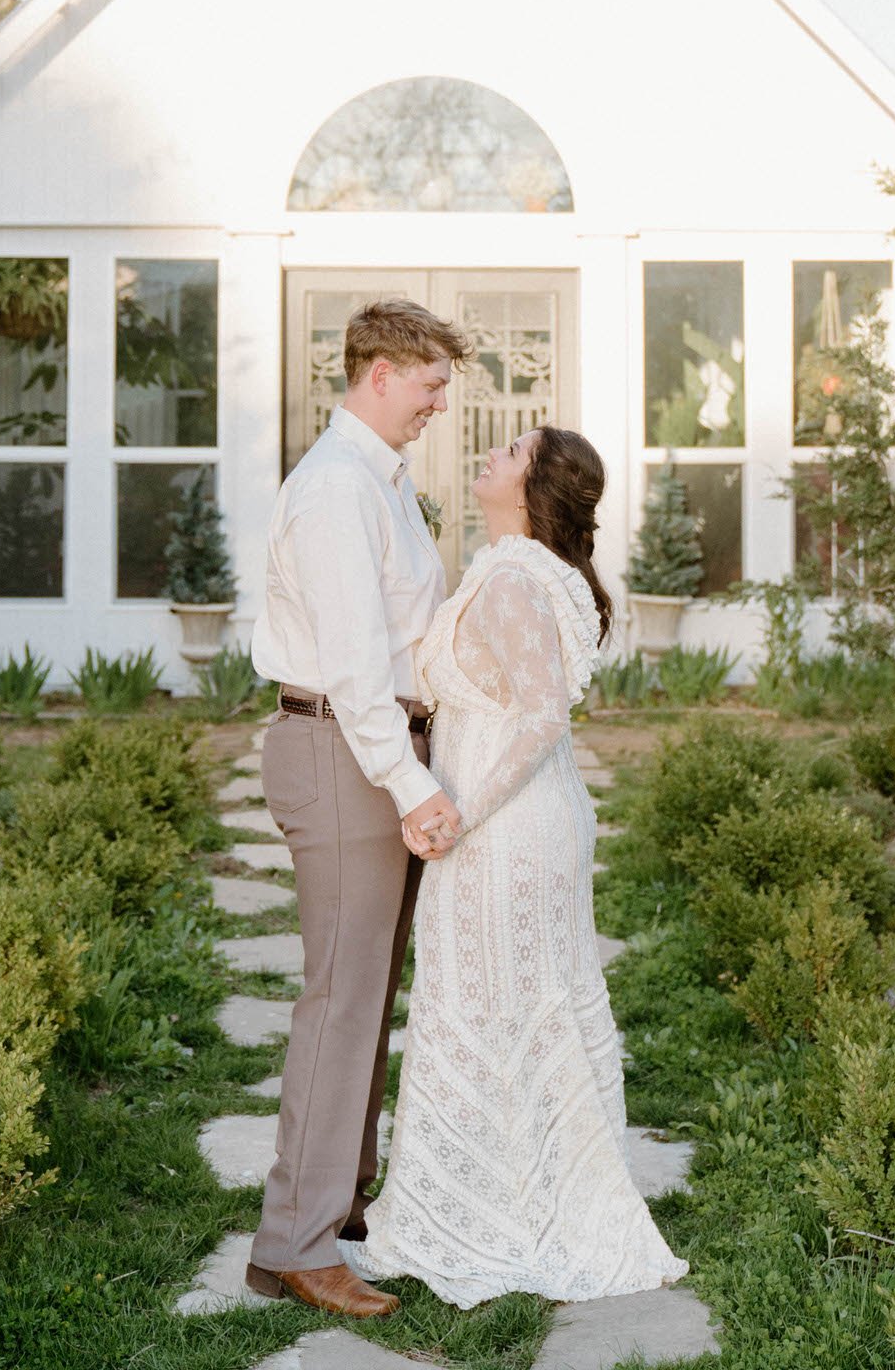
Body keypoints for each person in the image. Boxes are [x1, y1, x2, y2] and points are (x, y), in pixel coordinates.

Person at [354, 425, 690, 1306]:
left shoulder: (512, 578)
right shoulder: (515, 567)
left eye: (506, 450)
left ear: (534, 484)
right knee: (495, 1002)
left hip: (509, 827)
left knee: (504, 1004)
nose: (487, 454)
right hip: (512, 819)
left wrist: (459, 810)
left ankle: (514, 1214)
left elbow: (541, 718)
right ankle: (490, 1195)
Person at [245, 298, 472, 1318]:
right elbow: (349, 668)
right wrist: (412, 782)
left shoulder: (378, 480)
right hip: (342, 750)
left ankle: (336, 1203)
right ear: (380, 371)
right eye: (429, 385)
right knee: (340, 1003)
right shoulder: (338, 488)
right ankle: (295, 1241)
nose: (436, 404)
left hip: (367, 746)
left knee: (365, 995)